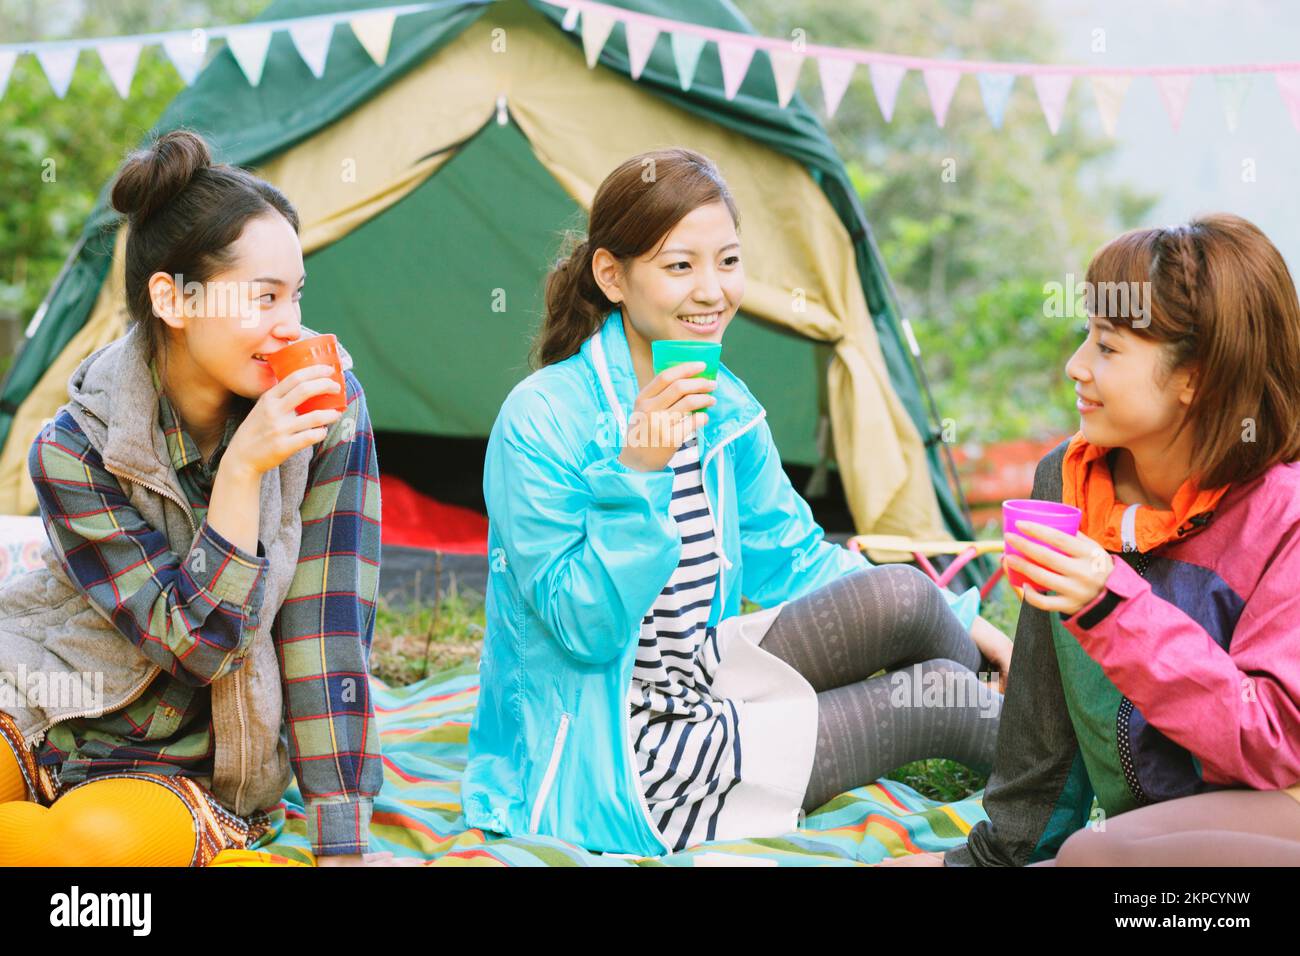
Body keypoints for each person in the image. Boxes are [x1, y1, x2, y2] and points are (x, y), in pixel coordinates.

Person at [462, 147, 1011, 857]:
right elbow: (583, 629)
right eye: (679, 266)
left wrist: (966, 624)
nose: (713, 291)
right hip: (622, 757)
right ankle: (1109, 787)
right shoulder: (540, 419)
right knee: (937, 702)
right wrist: (638, 470)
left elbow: (795, 560)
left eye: (727, 261)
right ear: (612, 276)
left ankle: (1068, 723)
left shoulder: (722, 404)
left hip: (702, 678)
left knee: (906, 596)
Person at [0, 129, 401, 867]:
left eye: (297, 295)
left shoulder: (325, 409)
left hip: (187, 757)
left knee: (82, 852)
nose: (292, 324)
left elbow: (310, 627)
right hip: (55, 700)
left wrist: (342, 838)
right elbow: (168, 628)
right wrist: (245, 469)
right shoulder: (72, 447)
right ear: (173, 299)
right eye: (264, 296)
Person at [885, 214, 1300, 867]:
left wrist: (1112, 606)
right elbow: (1041, 711)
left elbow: (1273, 739)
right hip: (1149, 842)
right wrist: (991, 859)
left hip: (1284, 810)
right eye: (1087, 336)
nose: (1076, 366)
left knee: (1093, 859)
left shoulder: (1285, 514)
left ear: (1198, 377)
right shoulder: (1067, 478)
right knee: (1087, 856)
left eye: (1108, 348)